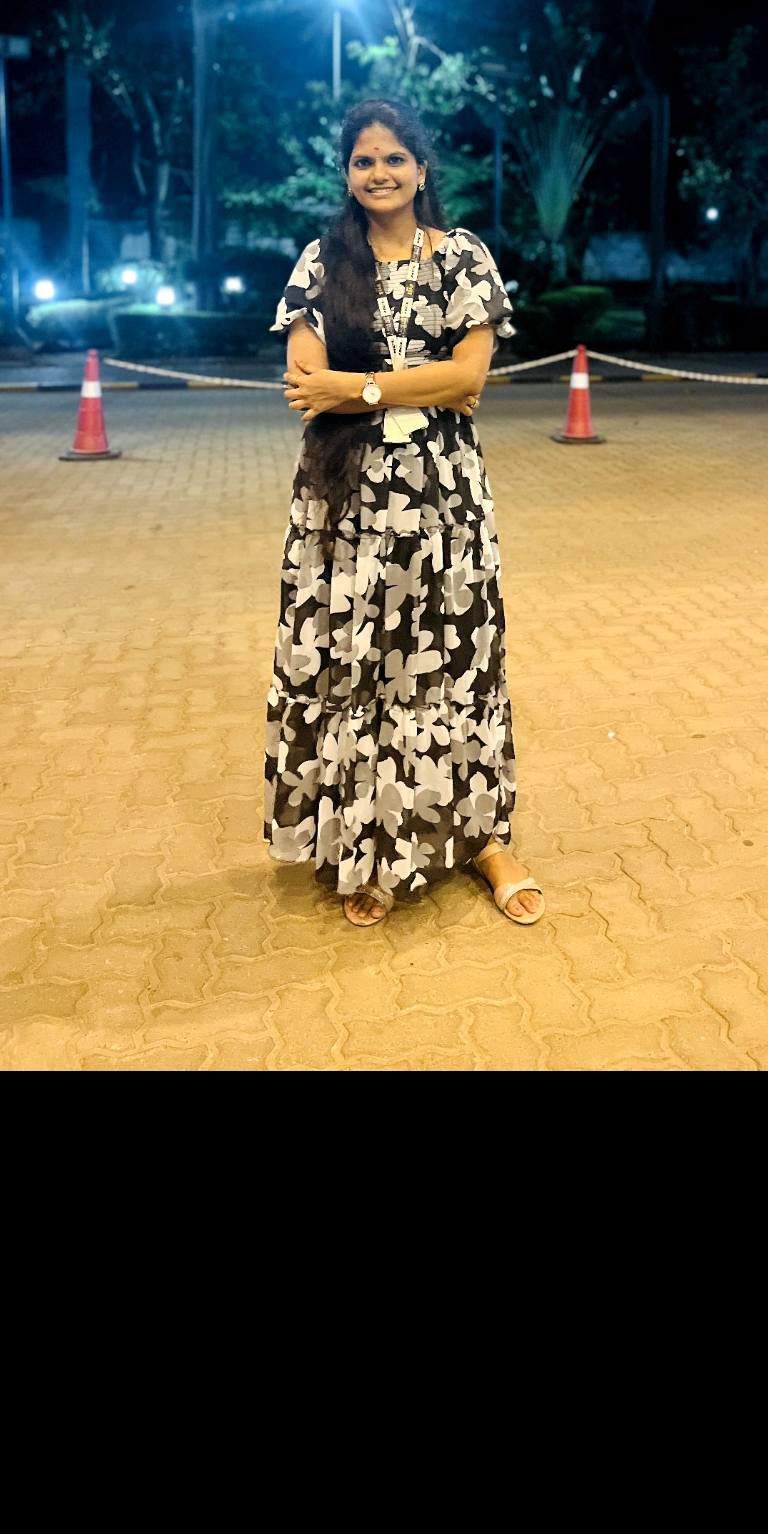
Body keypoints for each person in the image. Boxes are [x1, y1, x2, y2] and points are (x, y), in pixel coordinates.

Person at [265, 96, 544, 930]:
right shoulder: (323, 262)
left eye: (394, 158)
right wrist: (405, 385)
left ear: (422, 170)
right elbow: (303, 381)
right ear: (347, 174)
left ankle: (484, 840)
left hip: (441, 498)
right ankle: (369, 846)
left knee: (455, 664)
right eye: (364, 160)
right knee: (358, 666)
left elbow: (468, 377)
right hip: (343, 499)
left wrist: (359, 388)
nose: (379, 172)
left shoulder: (462, 257)